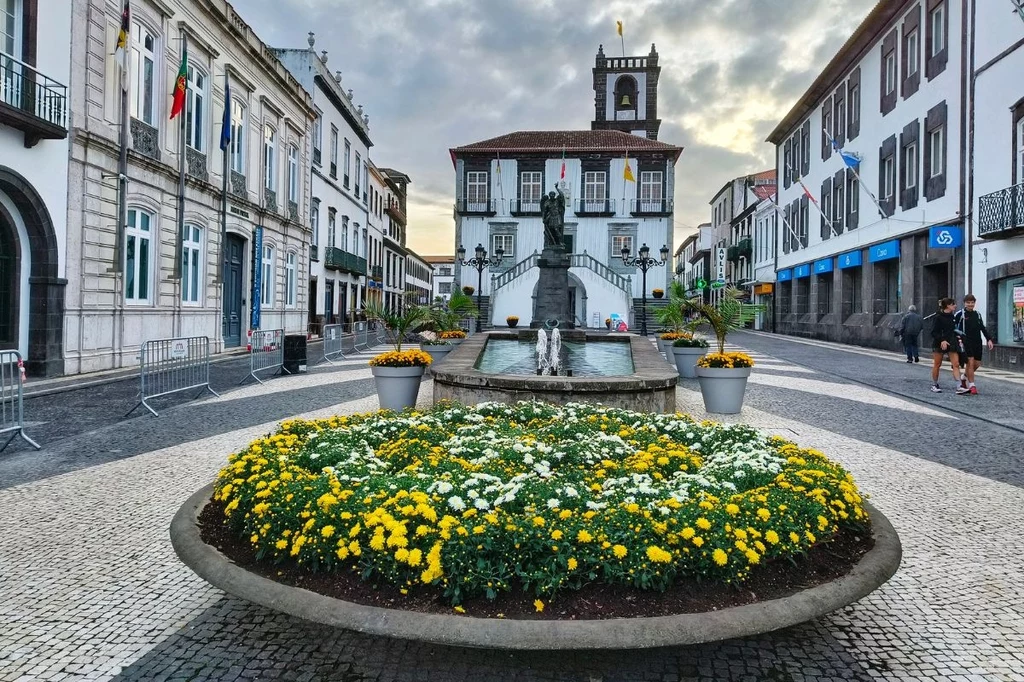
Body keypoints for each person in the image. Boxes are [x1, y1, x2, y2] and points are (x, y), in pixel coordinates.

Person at [953, 294, 994, 395]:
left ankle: (964, 377)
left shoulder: (978, 314)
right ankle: (972, 385)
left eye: (972, 303)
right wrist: (958, 339)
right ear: (965, 303)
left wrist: (988, 339)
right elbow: (953, 327)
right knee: (970, 362)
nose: (970, 305)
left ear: (974, 303)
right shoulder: (960, 314)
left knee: (976, 364)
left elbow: (982, 328)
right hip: (966, 341)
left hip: (977, 342)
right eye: (968, 303)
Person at [930, 297, 967, 394]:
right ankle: (934, 384)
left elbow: (952, 330)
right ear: (947, 306)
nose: (955, 305)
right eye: (953, 304)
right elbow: (933, 332)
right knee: (937, 364)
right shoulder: (938, 317)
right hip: (939, 343)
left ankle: (959, 386)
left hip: (951, 342)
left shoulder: (952, 317)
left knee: (956, 364)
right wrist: (942, 340)